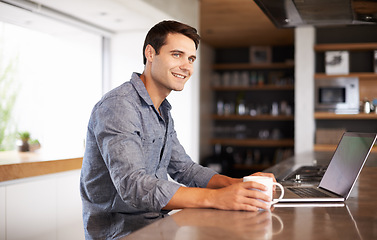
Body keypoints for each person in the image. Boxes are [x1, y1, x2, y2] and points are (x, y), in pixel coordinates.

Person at [80, 20, 276, 239]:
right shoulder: (118, 106)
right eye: (177, 54)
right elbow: (134, 186)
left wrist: (238, 184)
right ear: (150, 53)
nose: (187, 66)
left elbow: (185, 169)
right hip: (122, 234)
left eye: (191, 58)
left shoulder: (162, 110)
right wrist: (217, 198)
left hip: (158, 227)